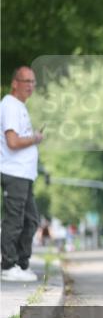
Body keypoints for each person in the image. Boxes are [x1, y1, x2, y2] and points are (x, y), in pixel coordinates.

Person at [1, 66, 44, 282]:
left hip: (25, 174)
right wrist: (35, 139)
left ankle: (20, 263)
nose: (30, 85)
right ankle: (8, 265)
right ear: (14, 83)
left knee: (31, 220)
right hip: (14, 172)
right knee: (15, 220)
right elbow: (13, 141)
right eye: (25, 81)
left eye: (33, 82)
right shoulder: (10, 105)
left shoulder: (20, 107)